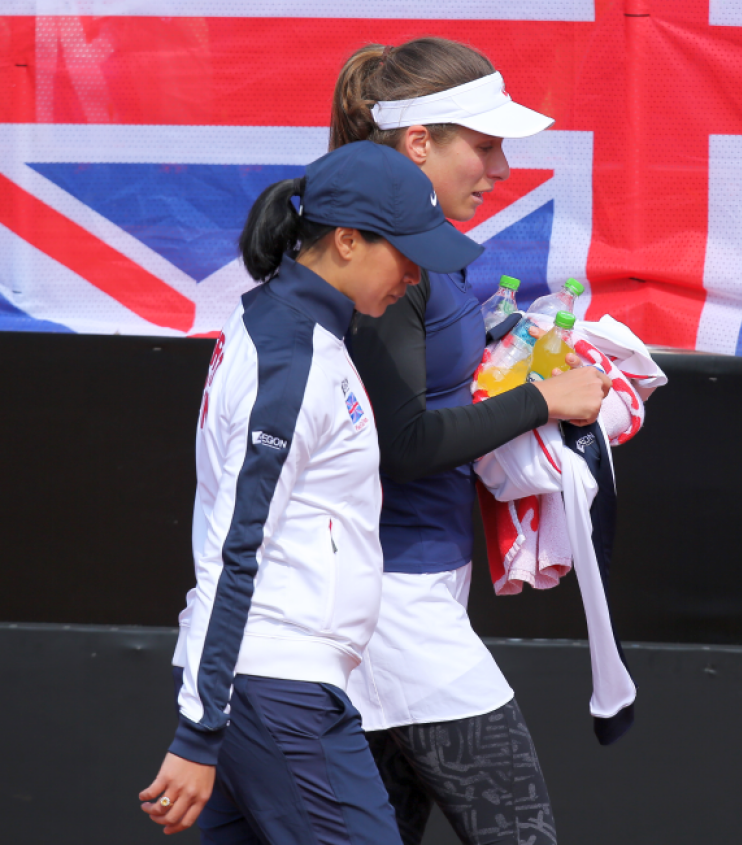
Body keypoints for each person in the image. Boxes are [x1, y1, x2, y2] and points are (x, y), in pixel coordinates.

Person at [139, 140, 484, 843]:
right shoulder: (291, 355)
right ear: (347, 241)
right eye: (406, 253)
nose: (416, 274)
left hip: (270, 681)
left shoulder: (291, 327)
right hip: (274, 685)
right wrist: (200, 730)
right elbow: (236, 545)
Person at [329, 38, 610, 845]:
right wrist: (541, 398)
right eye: (484, 147)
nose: (502, 169)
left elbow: (420, 390)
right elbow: (402, 441)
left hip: (412, 581)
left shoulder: (429, 249)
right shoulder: (385, 257)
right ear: (419, 143)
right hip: (390, 597)